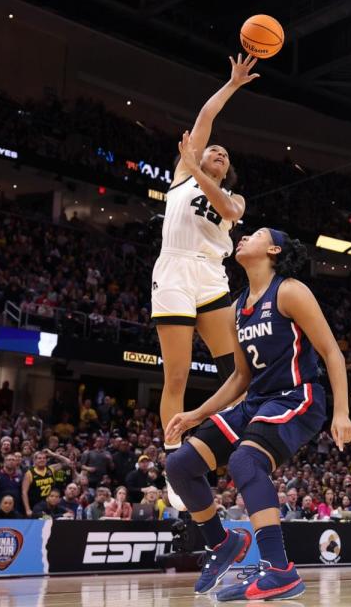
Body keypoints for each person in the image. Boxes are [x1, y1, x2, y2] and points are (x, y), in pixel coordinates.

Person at [164, 226, 351, 600]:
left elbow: (332, 352)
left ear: (273, 250)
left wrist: (342, 412)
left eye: (254, 234)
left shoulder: (290, 291)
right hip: (256, 400)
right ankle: (222, 544)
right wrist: (194, 414)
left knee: (245, 463)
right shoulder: (237, 308)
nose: (244, 237)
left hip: (297, 397)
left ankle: (279, 570)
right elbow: (240, 377)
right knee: (180, 465)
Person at [152, 55, 258, 510]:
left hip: (212, 276)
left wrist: (198, 170)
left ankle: (231, 437)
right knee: (175, 373)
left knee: (239, 369)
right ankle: (175, 460)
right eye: (213, 149)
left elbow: (232, 213)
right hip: (174, 270)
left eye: (224, 155)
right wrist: (233, 84)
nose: (218, 152)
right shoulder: (182, 176)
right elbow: (206, 117)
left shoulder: (233, 197)